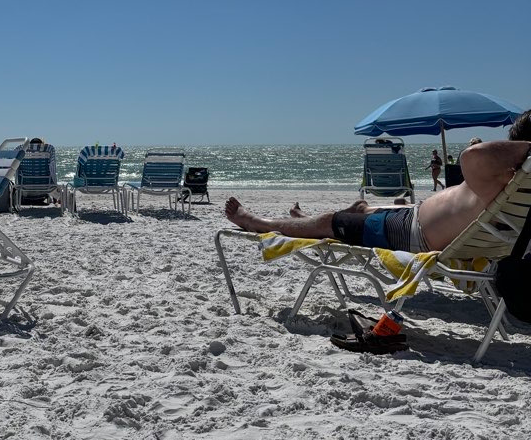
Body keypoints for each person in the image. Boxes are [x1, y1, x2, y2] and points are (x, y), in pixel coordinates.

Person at [224, 111, 531, 352]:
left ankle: (260, 223)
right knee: (362, 211)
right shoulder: (519, 186)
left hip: (411, 233)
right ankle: (324, 217)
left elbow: (472, 155)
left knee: (331, 221)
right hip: (418, 220)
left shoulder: (499, 177)